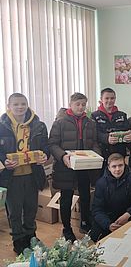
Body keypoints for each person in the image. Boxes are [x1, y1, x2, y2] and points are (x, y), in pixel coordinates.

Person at [49, 92, 101, 242]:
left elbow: (94, 143)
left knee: (85, 195)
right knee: (66, 198)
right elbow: (52, 144)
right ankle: (67, 228)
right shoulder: (60, 122)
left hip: (84, 167)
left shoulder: (90, 123)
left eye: (83, 104)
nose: (80, 107)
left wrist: (97, 155)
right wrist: (63, 156)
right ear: (70, 105)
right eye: (77, 104)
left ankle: (85, 223)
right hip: (65, 167)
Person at [0, 93, 49, 254]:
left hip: (32, 174)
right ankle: (18, 240)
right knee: (14, 211)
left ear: (27, 105)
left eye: (23, 104)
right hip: (11, 177)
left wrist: (44, 156)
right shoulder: (2, 126)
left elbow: (45, 147)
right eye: (16, 104)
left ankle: (31, 236)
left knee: (30, 208)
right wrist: (4, 161)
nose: (20, 107)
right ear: (9, 106)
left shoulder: (39, 125)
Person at [90, 153, 131, 242]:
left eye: (120, 165)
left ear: (125, 165)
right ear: (109, 167)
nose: (117, 169)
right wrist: (108, 224)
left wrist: (128, 214)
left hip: (128, 215)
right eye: (114, 166)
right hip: (109, 218)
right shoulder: (101, 183)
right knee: (96, 232)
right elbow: (97, 209)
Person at [91, 88, 131, 165]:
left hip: (119, 153)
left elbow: (128, 130)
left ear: (115, 99)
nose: (109, 100)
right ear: (101, 99)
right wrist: (106, 138)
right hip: (102, 153)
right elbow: (94, 134)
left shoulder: (122, 115)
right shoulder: (94, 116)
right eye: (107, 98)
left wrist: (130, 136)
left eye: (112, 98)